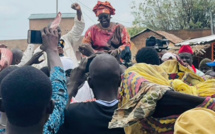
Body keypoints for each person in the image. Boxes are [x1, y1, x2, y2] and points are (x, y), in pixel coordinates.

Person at [0, 27, 68, 134]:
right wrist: (52, 50)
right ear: (50, 107)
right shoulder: (50, 128)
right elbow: (59, 89)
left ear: (2, 105)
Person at [58, 54, 125, 134]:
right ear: (120, 81)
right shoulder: (134, 114)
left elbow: (53, 122)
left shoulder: (74, 113)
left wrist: (73, 84)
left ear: (90, 83)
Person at [18, 3, 85, 69]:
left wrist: (78, 12)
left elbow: (78, 28)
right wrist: (54, 54)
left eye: (58, 31)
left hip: (72, 77)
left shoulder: (66, 40)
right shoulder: (41, 50)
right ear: (48, 33)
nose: (56, 34)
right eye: (53, 31)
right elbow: (40, 69)